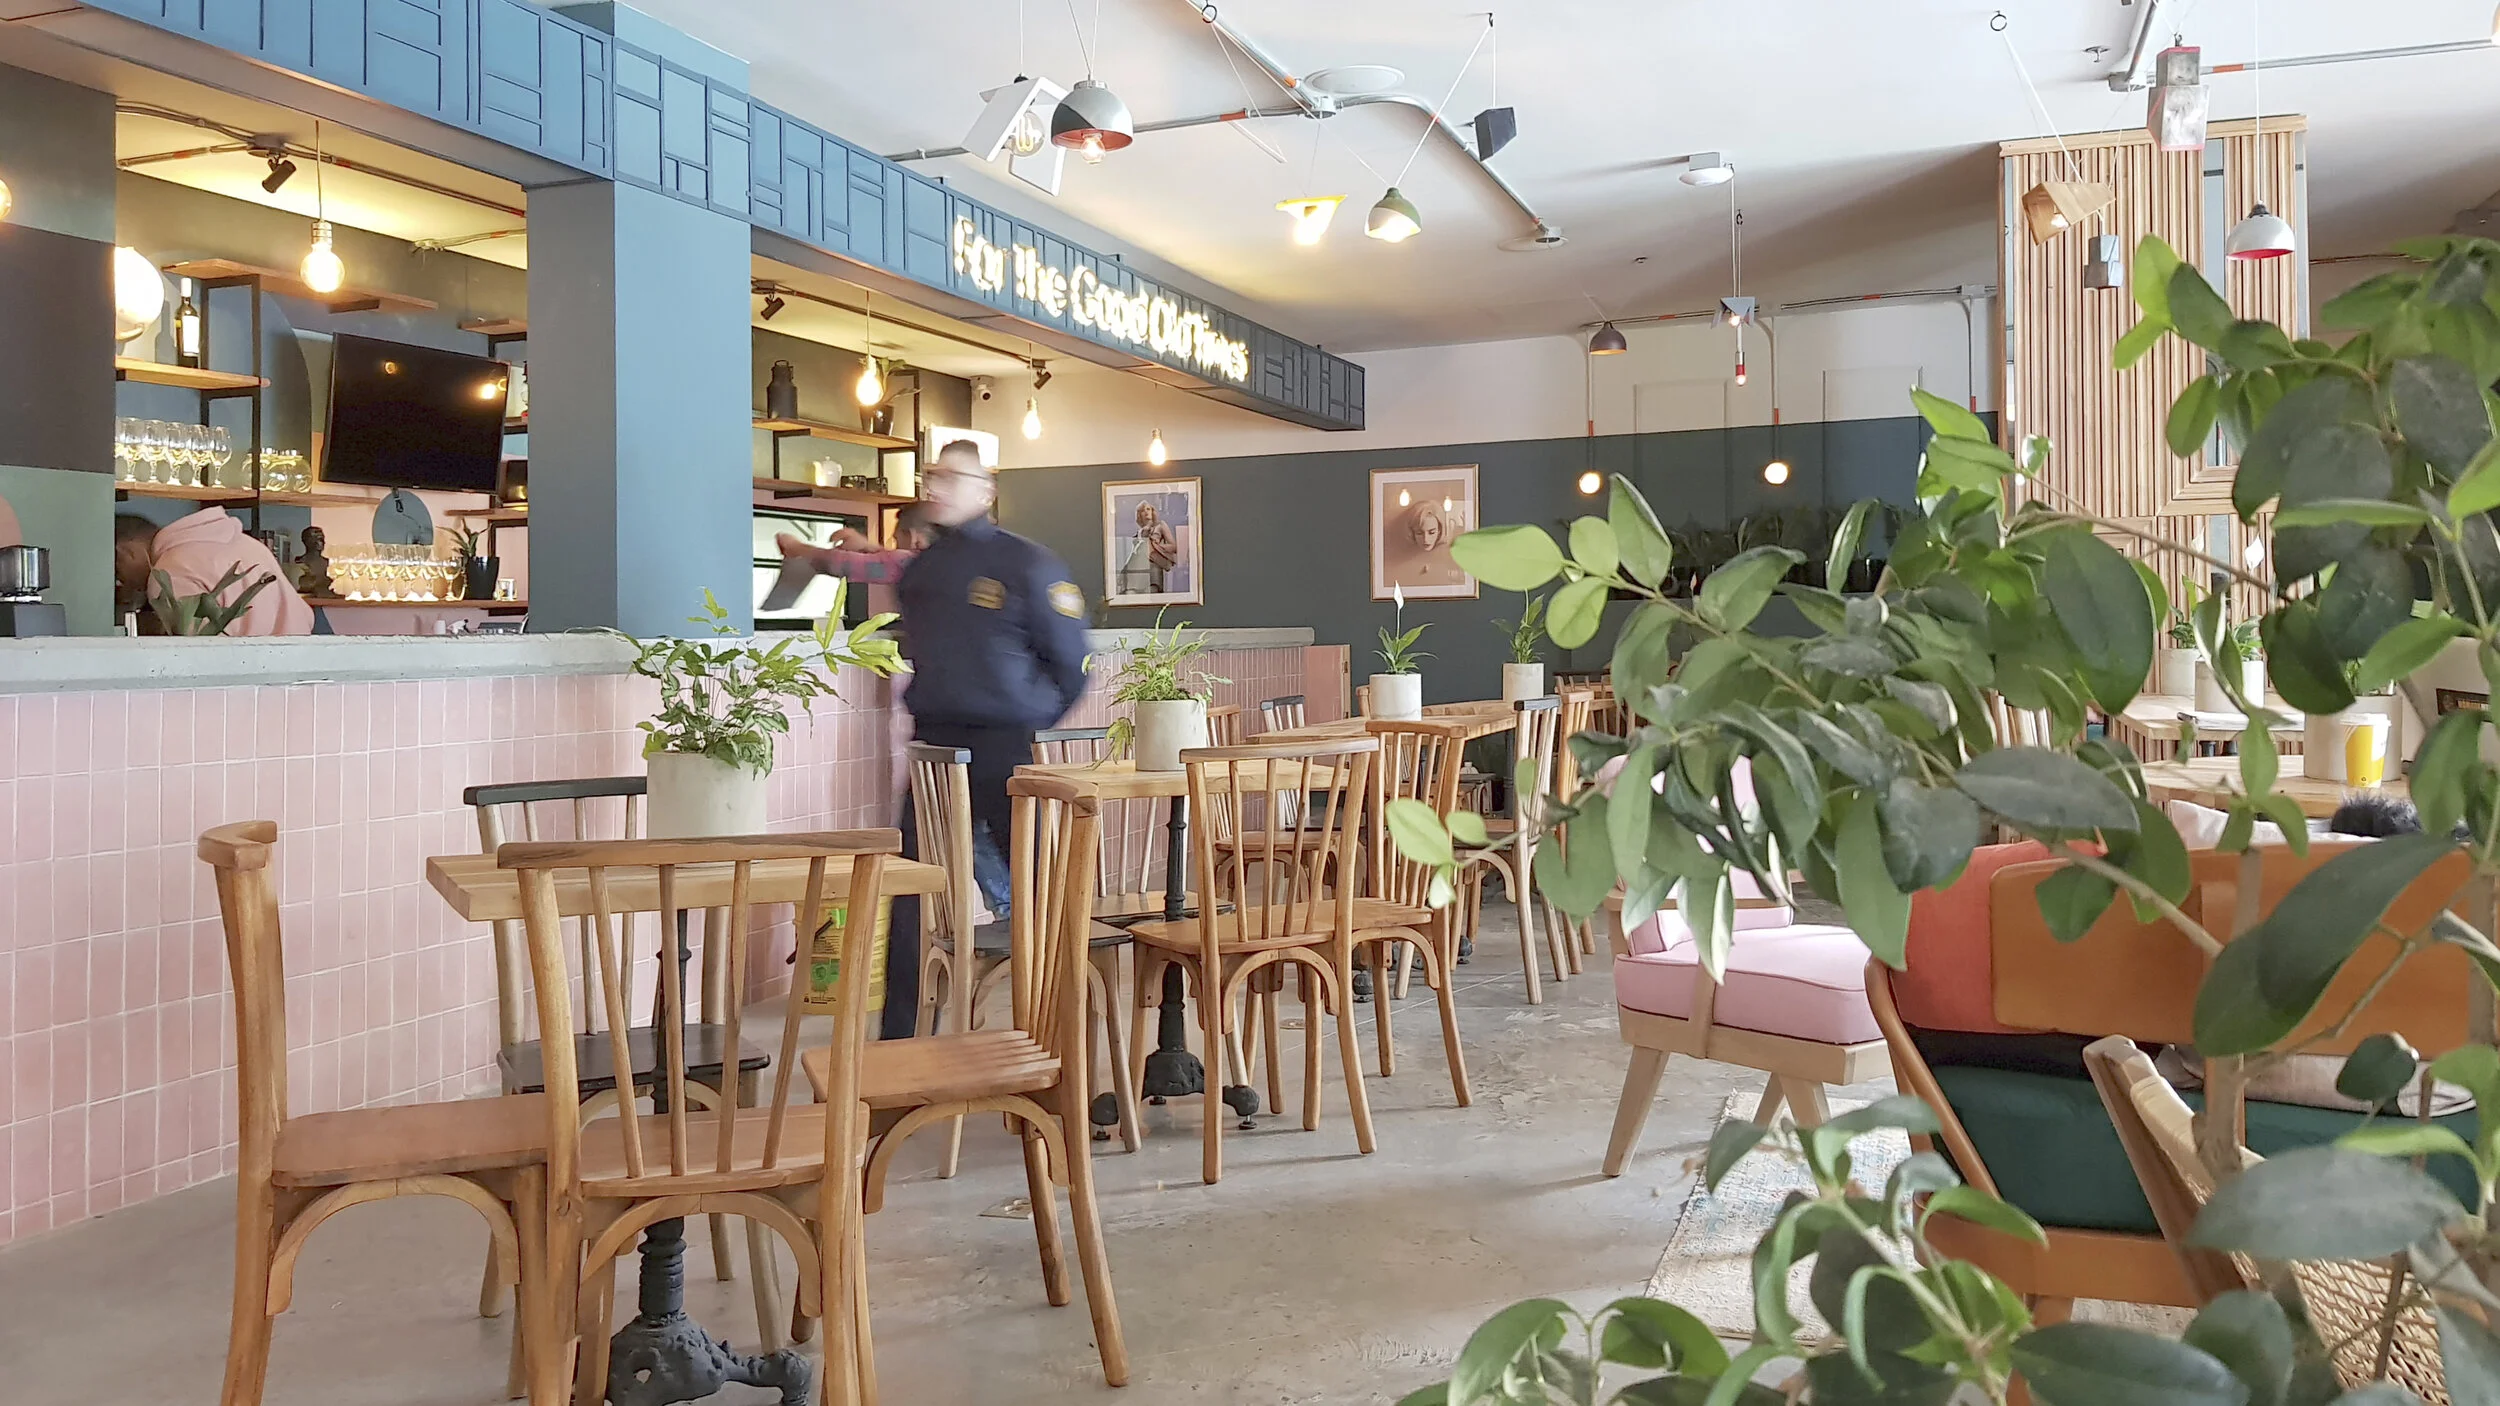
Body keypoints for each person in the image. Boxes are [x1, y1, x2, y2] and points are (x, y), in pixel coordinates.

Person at [881, 440, 1091, 1039]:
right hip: (934, 746)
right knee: (910, 892)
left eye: (952, 477)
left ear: (986, 491)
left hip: (1003, 745)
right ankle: (899, 1037)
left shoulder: (1026, 562)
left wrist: (1027, 715)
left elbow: (1072, 661)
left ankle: (1054, 1029)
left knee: (1034, 889)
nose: (936, 487)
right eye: (932, 475)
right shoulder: (922, 569)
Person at [114, 509, 314, 635]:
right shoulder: (246, 543)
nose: (122, 581)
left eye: (117, 572)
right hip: (302, 667)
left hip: (244, 682)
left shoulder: (167, 573)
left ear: (123, 552)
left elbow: (193, 656)